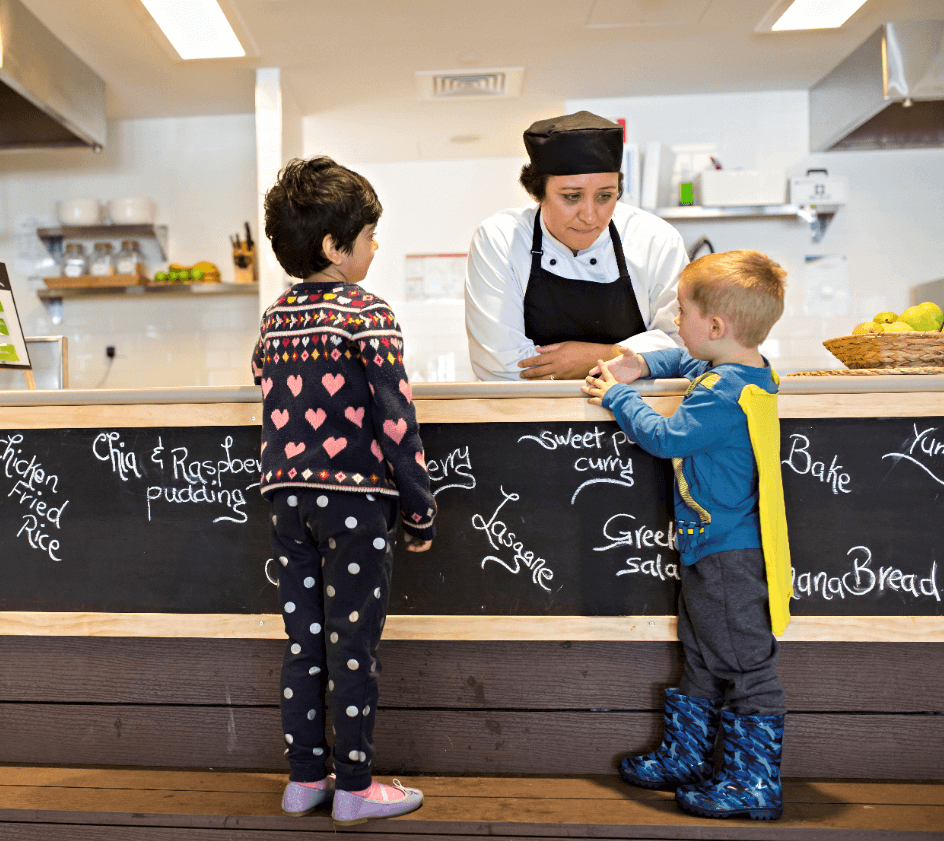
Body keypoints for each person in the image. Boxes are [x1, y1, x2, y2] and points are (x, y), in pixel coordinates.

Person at [251, 156, 436, 826]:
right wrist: (419, 507)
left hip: (286, 499)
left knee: (304, 641)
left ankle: (304, 779)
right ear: (335, 246)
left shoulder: (275, 319)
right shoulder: (368, 314)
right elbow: (396, 419)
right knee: (352, 643)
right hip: (354, 502)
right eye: (368, 235)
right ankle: (354, 785)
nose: (375, 245)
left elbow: (266, 390)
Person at [581, 249, 792, 821]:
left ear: (717, 326)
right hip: (712, 547)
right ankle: (688, 758)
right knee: (700, 655)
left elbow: (668, 438)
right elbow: (684, 356)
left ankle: (753, 786)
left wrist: (618, 396)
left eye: (682, 310)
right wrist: (642, 366)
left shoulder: (722, 394)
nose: (676, 320)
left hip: (730, 555)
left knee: (748, 669)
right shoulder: (738, 369)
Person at [466, 110, 688, 381]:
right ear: (538, 192)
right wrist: (630, 360)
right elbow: (499, 365)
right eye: (572, 197)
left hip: (635, 418)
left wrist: (599, 355)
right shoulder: (501, 238)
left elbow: (684, 348)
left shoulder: (655, 240)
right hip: (533, 418)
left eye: (605, 196)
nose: (590, 216)